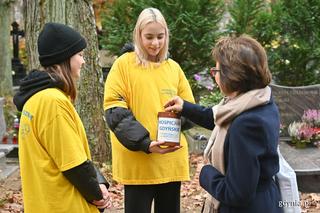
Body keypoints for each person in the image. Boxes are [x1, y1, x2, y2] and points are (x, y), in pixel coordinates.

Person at [164, 35, 282, 213]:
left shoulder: (246, 124)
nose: (214, 77)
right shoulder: (259, 101)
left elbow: (237, 194)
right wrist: (185, 107)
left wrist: (206, 173)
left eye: (216, 71)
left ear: (232, 75)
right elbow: (218, 118)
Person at [103, 8, 195, 213]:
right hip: (138, 163)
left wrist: (182, 112)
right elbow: (115, 111)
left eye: (160, 37)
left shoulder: (173, 68)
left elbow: (190, 108)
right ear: (138, 35)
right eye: (149, 37)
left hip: (170, 162)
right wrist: (146, 143)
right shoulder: (123, 66)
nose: (155, 43)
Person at [13, 22, 111, 213]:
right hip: (64, 205)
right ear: (64, 59)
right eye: (80, 55)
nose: (83, 61)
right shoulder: (53, 102)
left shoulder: (34, 100)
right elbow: (74, 164)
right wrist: (97, 195)